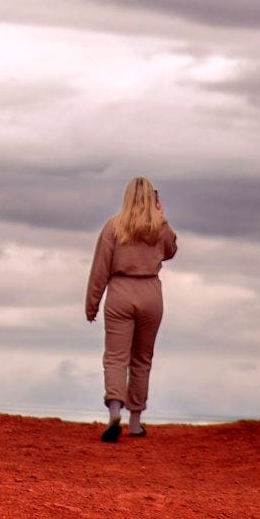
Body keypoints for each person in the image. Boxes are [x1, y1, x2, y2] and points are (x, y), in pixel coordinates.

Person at [85, 177, 177, 442]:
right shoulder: (161, 227)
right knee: (142, 358)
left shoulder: (113, 226)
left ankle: (114, 408)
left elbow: (99, 269)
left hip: (120, 292)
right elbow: (170, 251)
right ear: (153, 198)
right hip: (150, 292)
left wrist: (92, 305)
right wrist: (161, 217)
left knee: (115, 357)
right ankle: (135, 421)